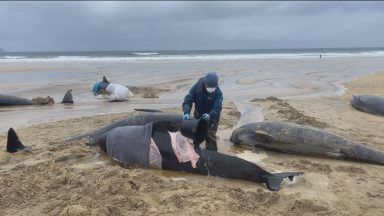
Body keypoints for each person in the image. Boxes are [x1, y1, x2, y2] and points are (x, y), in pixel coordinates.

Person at [182, 72, 223, 151]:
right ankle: (195, 150)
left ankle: (212, 153)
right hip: (199, 113)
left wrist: (210, 116)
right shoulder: (196, 88)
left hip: (212, 115)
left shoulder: (218, 93)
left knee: (210, 134)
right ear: (205, 83)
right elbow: (187, 101)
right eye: (209, 87)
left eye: (213, 87)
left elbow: (217, 108)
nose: (211, 89)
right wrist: (186, 112)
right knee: (196, 132)